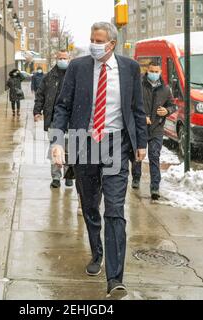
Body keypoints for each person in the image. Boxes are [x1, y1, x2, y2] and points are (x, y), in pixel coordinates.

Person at [51, 22, 147, 296]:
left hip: (117, 144)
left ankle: (115, 278)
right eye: (92, 39)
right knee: (90, 205)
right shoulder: (78, 67)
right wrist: (57, 141)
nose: (94, 43)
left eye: (99, 40)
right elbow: (62, 106)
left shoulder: (130, 68)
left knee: (115, 210)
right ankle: (97, 252)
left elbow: (137, 108)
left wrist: (141, 143)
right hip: (84, 143)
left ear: (112, 44)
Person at [130, 60, 176, 198]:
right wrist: (141, 116)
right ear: (147, 71)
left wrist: (167, 111)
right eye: (152, 71)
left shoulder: (165, 89)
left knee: (154, 156)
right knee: (138, 155)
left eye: (156, 72)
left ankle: (155, 187)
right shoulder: (138, 85)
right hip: (140, 127)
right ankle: (136, 178)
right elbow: (130, 104)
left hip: (157, 128)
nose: (154, 74)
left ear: (160, 72)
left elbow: (173, 105)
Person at [34, 50, 72, 189]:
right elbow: (40, 95)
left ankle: (69, 175)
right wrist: (37, 111)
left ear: (69, 58)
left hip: (70, 120)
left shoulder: (74, 76)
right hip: (53, 120)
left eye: (65, 58)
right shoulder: (49, 77)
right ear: (56, 59)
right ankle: (56, 177)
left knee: (69, 149)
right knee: (55, 148)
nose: (62, 60)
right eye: (60, 58)